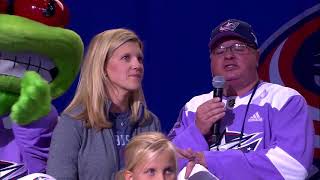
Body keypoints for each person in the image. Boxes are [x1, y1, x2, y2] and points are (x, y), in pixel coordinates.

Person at [168, 19, 314, 179]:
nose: (229, 55)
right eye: (219, 50)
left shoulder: (284, 100)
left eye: (239, 48)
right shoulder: (195, 106)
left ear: (256, 57)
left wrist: (210, 161)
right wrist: (196, 130)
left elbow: (292, 166)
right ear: (211, 62)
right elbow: (163, 163)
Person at [46, 28, 161, 179]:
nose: (137, 65)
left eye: (139, 59)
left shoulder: (150, 123)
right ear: (102, 66)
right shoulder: (73, 122)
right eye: (126, 58)